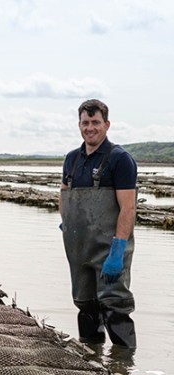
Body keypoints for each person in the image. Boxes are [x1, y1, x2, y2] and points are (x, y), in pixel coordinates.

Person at [59, 99, 137, 348]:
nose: (90, 127)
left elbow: (128, 207)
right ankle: (92, 361)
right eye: (85, 122)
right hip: (78, 248)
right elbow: (63, 194)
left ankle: (125, 367)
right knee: (86, 306)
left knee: (115, 306)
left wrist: (118, 249)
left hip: (109, 249)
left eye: (95, 122)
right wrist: (66, 224)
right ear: (79, 125)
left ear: (107, 124)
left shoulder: (120, 159)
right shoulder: (71, 159)